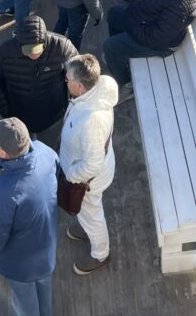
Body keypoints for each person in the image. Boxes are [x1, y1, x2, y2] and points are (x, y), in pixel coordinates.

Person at [0, 116, 58, 314]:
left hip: (20, 264)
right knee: (44, 288)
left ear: (1, 151)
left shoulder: (8, 192)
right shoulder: (44, 151)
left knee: (25, 303)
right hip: (46, 247)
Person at [103, 0, 196, 94]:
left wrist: (132, 25)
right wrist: (132, 17)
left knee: (110, 46)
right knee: (114, 13)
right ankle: (119, 57)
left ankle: (126, 83)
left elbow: (157, 39)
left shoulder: (180, 5)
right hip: (143, 24)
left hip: (161, 46)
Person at [59, 54, 118, 275]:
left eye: (68, 79)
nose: (65, 80)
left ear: (81, 87)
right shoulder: (96, 93)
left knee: (92, 214)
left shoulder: (92, 121)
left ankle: (100, 254)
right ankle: (88, 229)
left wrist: (71, 176)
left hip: (87, 181)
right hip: (91, 173)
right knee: (88, 215)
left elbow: (91, 165)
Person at [0, 14, 76, 154]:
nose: (32, 55)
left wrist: (71, 103)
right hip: (20, 118)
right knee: (22, 153)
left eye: (36, 50)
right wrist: (5, 109)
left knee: (50, 151)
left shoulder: (62, 46)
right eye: (28, 50)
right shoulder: (6, 52)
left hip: (52, 117)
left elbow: (77, 74)